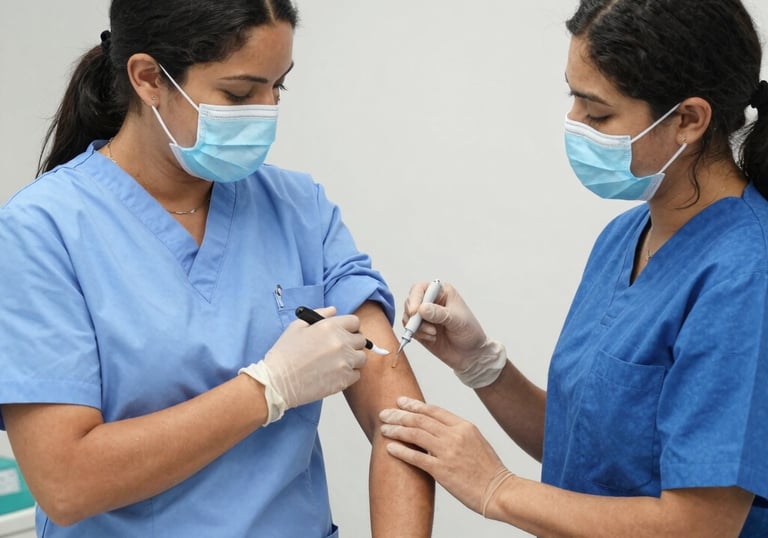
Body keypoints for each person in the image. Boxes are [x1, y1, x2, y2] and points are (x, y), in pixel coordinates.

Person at [0, 1, 435, 536]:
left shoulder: (299, 209)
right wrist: (266, 390)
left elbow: (403, 424)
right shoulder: (44, 230)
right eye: (239, 93)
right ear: (148, 78)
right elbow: (65, 483)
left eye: (280, 87)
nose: (267, 110)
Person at [378, 0, 768, 536]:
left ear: (688, 120)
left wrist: (496, 488)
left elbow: (700, 523)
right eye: (573, 98)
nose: (574, 125)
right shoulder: (625, 236)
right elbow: (590, 454)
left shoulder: (746, 273)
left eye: (598, 112)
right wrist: (481, 365)